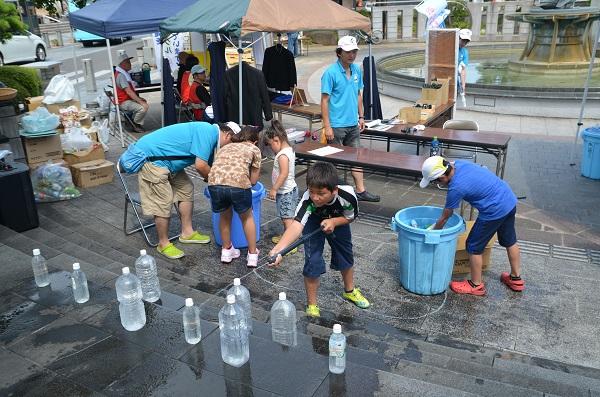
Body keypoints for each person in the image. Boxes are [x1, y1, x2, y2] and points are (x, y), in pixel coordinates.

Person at [269, 161, 370, 318]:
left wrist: (334, 222)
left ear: (334, 191)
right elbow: (296, 226)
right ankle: (312, 304)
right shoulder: (308, 200)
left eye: (321, 194)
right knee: (312, 260)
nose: (315, 198)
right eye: (312, 191)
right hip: (313, 222)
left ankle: (350, 291)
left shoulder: (348, 196)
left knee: (345, 254)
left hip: (339, 219)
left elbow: (350, 217)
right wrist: (279, 250)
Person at [131, 121, 240, 259]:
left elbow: (213, 167)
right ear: (228, 135)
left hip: (168, 162)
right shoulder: (208, 132)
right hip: (152, 160)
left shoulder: (212, 137)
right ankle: (163, 243)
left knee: (186, 188)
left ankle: (187, 233)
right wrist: (217, 182)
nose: (231, 148)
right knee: (163, 200)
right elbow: (201, 166)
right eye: (233, 144)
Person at [419, 156, 524, 296]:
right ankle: (515, 279)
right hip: (508, 200)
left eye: (434, 181)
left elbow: (445, 217)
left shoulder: (456, 188)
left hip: (493, 210)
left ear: (442, 177)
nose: (436, 184)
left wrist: (433, 233)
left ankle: (476, 285)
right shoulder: (460, 164)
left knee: (473, 245)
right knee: (509, 240)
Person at [321, 35, 380, 202]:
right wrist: (327, 126)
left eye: (354, 51)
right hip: (336, 125)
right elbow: (324, 101)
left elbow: (359, 95)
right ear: (339, 52)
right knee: (334, 161)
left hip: (353, 124)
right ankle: (330, 194)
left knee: (357, 158)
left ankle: (360, 190)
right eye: (348, 51)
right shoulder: (330, 73)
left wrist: (361, 117)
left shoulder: (356, 70)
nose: (351, 55)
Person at [208, 125, 262, 268]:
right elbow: (254, 181)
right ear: (254, 141)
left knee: (225, 216)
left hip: (214, 184)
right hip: (238, 185)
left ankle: (226, 251)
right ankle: (252, 254)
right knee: (247, 217)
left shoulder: (225, 147)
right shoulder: (254, 149)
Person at [264, 120, 299, 254]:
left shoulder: (283, 155)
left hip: (285, 192)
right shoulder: (288, 149)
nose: (270, 148)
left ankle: (291, 244)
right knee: (288, 216)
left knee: (287, 219)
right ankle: (286, 236)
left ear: (276, 140)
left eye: (270, 144)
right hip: (289, 190)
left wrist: (274, 188)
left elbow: (283, 174)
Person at [114, 52, 148, 133]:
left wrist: (139, 99)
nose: (130, 64)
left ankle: (132, 121)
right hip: (123, 102)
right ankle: (135, 124)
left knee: (143, 102)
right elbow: (129, 92)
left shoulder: (123, 73)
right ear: (122, 64)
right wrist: (139, 101)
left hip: (126, 99)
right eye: (128, 62)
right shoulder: (121, 75)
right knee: (143, 107)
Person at [458, 29, 472, 102]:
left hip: (456, 81)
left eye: (466, 41)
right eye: (463, 40)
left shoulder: (465, 52)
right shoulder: (450, 48)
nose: (464, 43)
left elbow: (463, 70)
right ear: (458, 37)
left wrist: (463, 86)